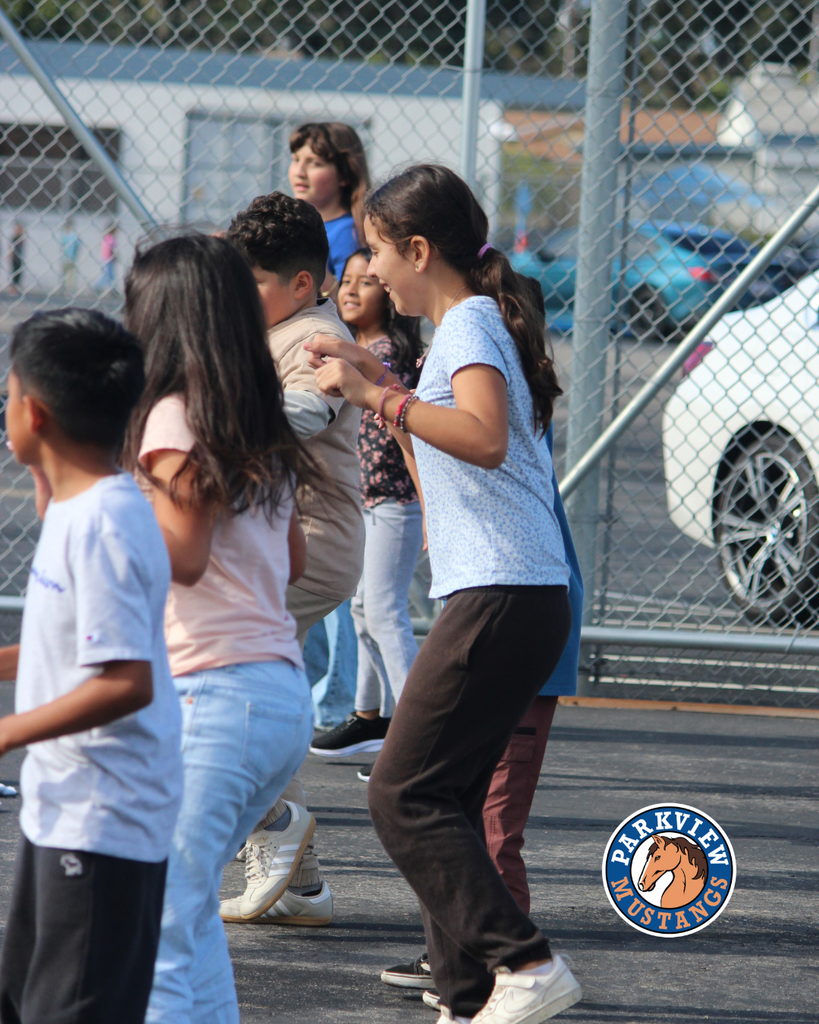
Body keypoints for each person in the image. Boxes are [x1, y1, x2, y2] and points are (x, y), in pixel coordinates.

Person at [306, 163, 583, 1023]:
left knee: (400, 791)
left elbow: (486, 438)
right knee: (450, 800)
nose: (372, 270)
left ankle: (525, 961)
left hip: (502, 594)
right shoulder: (475, 323)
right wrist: (367, 368)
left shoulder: (465, 325)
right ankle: (465, 998)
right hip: (514, 593)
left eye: (380, 251)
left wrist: (376, 396)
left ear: (420, 251)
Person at [120, 234, 316, 1023]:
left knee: (156, 922)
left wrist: (106, 536)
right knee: (189, 907)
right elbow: (293, 559)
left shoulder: (172, 415)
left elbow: (186, 558)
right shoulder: (254, 417)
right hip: (275, 697)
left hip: (213, 698)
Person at [0, 307, 183, 1023]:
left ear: (35, 413)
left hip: (104, 825)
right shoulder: (75, 511)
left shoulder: (105, 521)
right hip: (61, 808)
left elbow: (125, 680)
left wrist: (8, 732)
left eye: (7, 396)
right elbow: (69, 641)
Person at [381, 419, 584, 1005]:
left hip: (514, 622)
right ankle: (472, 976)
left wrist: (389, 399)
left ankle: (515, 962)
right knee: (454, 803)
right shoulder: (472, 361)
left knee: (483, 820)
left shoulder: (481, 353)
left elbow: (480, 449)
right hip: (494, 611)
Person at [222, 191, 365, 926]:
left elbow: (307, 412)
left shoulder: (311, 334)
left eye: (252, 285)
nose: (241, 301)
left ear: (303, 284)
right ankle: (301, 882)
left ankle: (271, 824)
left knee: (231, 690)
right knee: (257, 693)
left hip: (308, 546)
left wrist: (209, 409)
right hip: (286, 545)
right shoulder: (281, 327)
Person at [309, 248, 424, 766]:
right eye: (347, 280)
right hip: (369, 500)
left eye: (367, 280)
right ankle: (368, 718)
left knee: (382, 611)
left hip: (395, 501)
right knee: (362, 610)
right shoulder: (357, 346)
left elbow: (399, 425)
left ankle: (418, 738)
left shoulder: (383, 352)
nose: (351, 289)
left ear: (388, 293)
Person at [288, 121, 371, 729]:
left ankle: (338, 700)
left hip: (350, 396)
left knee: (346, 589)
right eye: (295, 157)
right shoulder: (307, 230)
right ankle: (320, 692)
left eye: (314, 160)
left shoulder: (342, 238)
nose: (299, 169)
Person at [60, 220, 80, 294]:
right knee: (69, 274)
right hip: (70, 258)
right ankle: (68, 288)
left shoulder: (67, 236)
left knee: (68, 274)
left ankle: (67, 288)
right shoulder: (73, 236)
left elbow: (63, 246)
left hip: (68, 258)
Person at [96, 225, 117, 292]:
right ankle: (98, 287)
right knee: (107, 275)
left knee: (110, 275)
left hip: (104, 257)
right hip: (107, 258)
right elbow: (111, 249)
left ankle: (112, 289)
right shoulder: (110, 238)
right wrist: (114, 256)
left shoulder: (105, 237)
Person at [8, 222, 24, 295]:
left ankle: (16, 288)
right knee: (14, 272)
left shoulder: (21, 239)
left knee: (18, 274)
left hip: (19, 258)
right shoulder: (14, 238)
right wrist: (10, 257)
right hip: (14, 258)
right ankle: (12, 288)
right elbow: (11, 248)